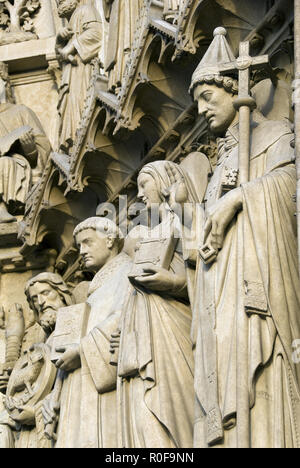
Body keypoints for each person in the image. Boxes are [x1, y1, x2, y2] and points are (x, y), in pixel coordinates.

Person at [185, 27, 300, 448]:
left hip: (258, 287)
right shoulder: (222, 163)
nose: (199, 111)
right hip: (220, 294)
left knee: (261, 378)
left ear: (235, 91)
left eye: (206, 98)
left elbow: (290, 186)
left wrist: (240, 199)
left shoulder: (273, 136)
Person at [117, 160, 195, 448]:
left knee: (174, 411)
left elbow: (212, 276)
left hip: (174, 327)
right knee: (145, 420)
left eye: (143, 185)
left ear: (163, 182)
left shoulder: (186, 222)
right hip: (143, 339)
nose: (138, 195)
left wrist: (172, 283)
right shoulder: (144, 238)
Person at [53, 217, 132, 448]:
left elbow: (125, 315)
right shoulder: (96, 286)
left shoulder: (127, 271)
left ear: (109, 240)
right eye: (78, 246)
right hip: (82, 377)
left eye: (87, 242)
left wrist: (81, 349)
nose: (82, 251)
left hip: (100, 374)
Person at [0, 273, 74, 448]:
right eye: (34, 299)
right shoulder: (41, 339)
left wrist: (35, 413)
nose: (41, 302)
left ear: (62, 293)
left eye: (46, 293)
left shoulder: (75, 326)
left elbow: (74, 388)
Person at [0, 62, 51, 223]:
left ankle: (1, 208)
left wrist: (30, 149)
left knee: (4, 163)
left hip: (13, 163)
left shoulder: (20, 111)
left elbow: (45, 151)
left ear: (3, 83)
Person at [56, 0, 102, 153]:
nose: (59, 2)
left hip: (83, 70)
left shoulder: (85, 10)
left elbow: (96, 34)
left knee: (81, 103)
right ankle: (74, 142)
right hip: (71, 75)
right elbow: (62, 57)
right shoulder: (70, 21)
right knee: (71, 103)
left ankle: (84, 136)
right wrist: (59, 42)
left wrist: (71, 46)